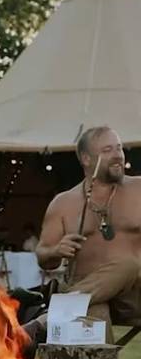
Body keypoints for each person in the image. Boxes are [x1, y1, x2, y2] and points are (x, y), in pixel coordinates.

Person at [26, 126, 141, 344]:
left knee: (128, 264)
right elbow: (44, 257)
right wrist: (56, 250)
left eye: (119, 148)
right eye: (108, 150)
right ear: (87, 159)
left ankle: (47, 319)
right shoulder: (63, 203)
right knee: (94, 312)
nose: (118, 155)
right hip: (88, 292)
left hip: (135, 293)